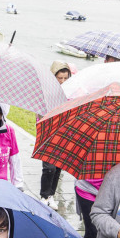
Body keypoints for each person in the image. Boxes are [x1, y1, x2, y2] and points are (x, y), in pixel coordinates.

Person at [40, 61, 73, 209]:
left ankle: (51, 195)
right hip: (48, 133)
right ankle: (43, 195)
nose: (63, 81)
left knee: (58, 167)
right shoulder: (46, 92)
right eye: (60, 78)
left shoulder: (71, 94)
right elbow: (40, 115)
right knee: (49, 167)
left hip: (63, 135)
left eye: (66, 78)